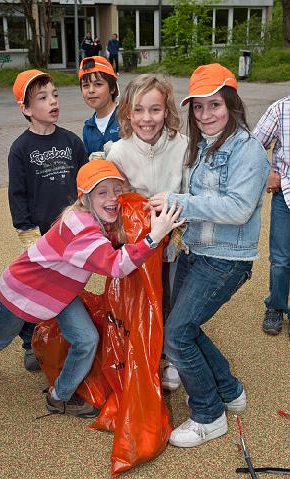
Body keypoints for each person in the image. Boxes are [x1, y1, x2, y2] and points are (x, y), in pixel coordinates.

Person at [0, 160, 184, 417]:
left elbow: (112, 241)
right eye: (102, 193)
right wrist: (153, 237)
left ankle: (59, 397)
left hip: (58, 293)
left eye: (117, 190)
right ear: (84, 198)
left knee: (86, 339)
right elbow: (116, 265)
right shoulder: (81, 227)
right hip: (22, 292)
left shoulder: (94, 219)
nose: (113, 198)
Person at [149, 63, 269, 447]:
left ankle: (208, 415)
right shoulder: (204, 143)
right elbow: (203, 200)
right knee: (185, 328)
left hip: (225, 260)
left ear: (232, 104)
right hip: (196, 249)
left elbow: (237, 208)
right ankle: (229, 390)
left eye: (214, 105)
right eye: (198, 108)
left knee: (178, 335)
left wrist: (178, 202)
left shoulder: (247, 149)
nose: (205, 115)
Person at [106, 73, 189, 391]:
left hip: (174, 240)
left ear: (167, 110)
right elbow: (115, 205)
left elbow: (187, 190)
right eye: (138, 110)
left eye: (155, 110)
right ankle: (141, 349)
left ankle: (169, 356)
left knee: (171, 297)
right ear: (127, 112)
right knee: (141, 299)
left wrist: (174, 223)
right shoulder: (119, 152)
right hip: (138, 244)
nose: (146, 118)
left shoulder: (182, 146)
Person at [8, 69, 88, 372]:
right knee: (34, 287)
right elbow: (17, 193)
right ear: (26, 109)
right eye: (42, 97)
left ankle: (62, 336)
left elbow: (86, 185)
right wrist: (28, 234)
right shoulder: (20, 149)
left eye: (54, 94)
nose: (52, 101)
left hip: (72, 233)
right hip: (41, 236)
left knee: (67, 286)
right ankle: (30, 340)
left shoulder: (71, 141)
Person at [253, 97, 290, 335]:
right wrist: (267, 174)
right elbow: (252, 146)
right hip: (285, 197)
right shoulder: (281, 108)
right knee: (281, 260)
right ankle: (275, 307)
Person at [79, 56, 120, 156]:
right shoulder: (88, 128)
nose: (91, 90)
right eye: (85, 86)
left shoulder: (127, 118)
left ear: (112, 88)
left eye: (98, 84)